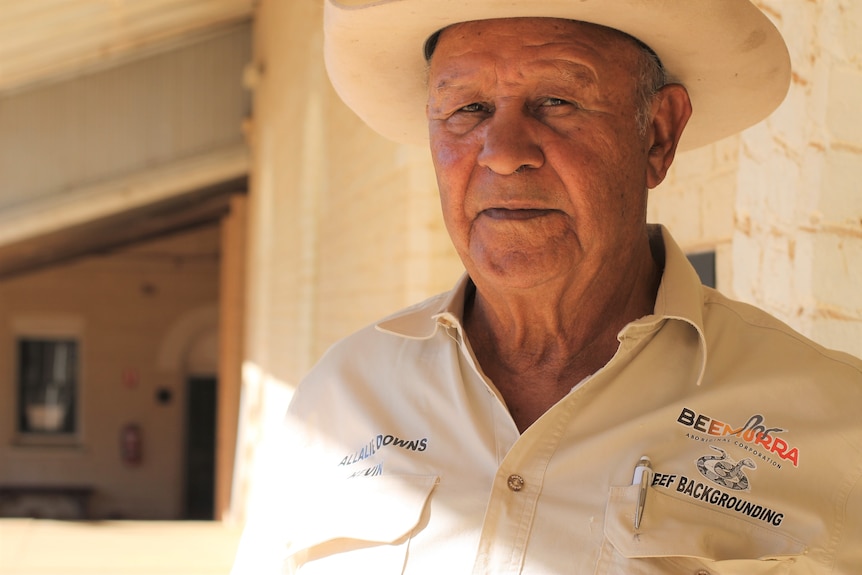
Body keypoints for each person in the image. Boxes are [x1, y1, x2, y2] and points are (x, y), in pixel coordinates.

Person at [232, 1, 862, 573]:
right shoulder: (341, 397)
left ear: (658, 134)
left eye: (558, 101)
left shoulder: (836, 427)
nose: (503, 152)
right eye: (468, 109)